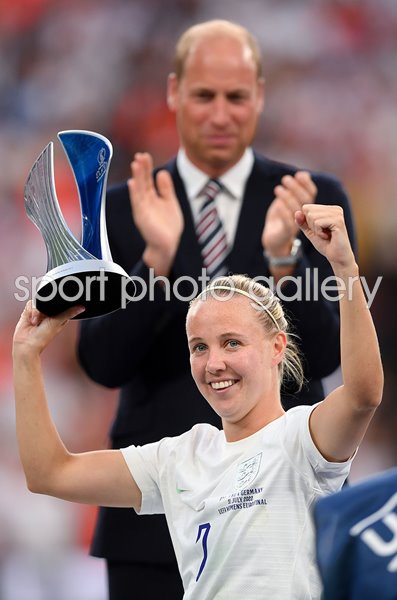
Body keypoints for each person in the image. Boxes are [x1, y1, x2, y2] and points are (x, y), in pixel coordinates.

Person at [77, 19, 357, 598]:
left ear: (260, 94)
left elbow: (327, 358)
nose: (221, 114)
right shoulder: (121, 207)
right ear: (175, 92)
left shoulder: (310, 196)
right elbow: (101, 363)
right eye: (204, 95)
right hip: (150, 520)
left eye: (237, 96)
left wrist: (285, 259)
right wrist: (154, 264)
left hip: (279, 522)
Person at [13, 204, 382, 599]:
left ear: (277, 347)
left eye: (232, 343)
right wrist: (25, 356)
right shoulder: (180, 457)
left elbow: (362, 394)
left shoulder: (301, 439)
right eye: (199, 347)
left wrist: (344, 269)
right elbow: (50, 474)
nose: (214, 363)